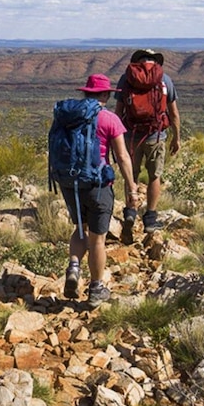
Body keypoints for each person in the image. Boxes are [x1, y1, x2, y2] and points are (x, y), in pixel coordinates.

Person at [60, 74, 138, 309]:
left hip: (71, 184)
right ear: (105, 94)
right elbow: (123, 156)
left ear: (85, 93)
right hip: (98, 185)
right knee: (98, 239)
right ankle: (96, 288)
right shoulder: (110, 119)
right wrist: (131, 187)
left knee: (80, 229)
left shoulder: (68, 116)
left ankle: (74, 266)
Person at [114, 49, 181, 234]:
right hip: (156, 136)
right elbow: (173, 113)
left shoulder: (126, 78)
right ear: (155, 61)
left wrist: (115, 138)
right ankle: (150, 218)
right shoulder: (165, 79)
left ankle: (130, 211)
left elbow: (118, 112)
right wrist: (177, 138)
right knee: (154, 176)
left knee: (131, 175)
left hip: (130, 135)